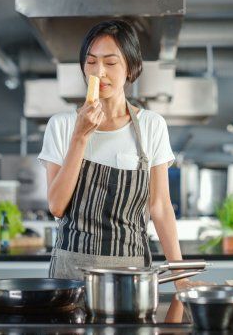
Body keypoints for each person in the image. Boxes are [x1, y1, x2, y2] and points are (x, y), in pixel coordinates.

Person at [38, 19, 195, 290]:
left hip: (131, 276)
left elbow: (160, 207)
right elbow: (56, 206)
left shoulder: (151, 125)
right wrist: (80, 136)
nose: (99, 72)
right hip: (70, 277)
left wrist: (180, 278)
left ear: (131, 69)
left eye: (110, 63)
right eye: (91, 62)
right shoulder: (62, 125)